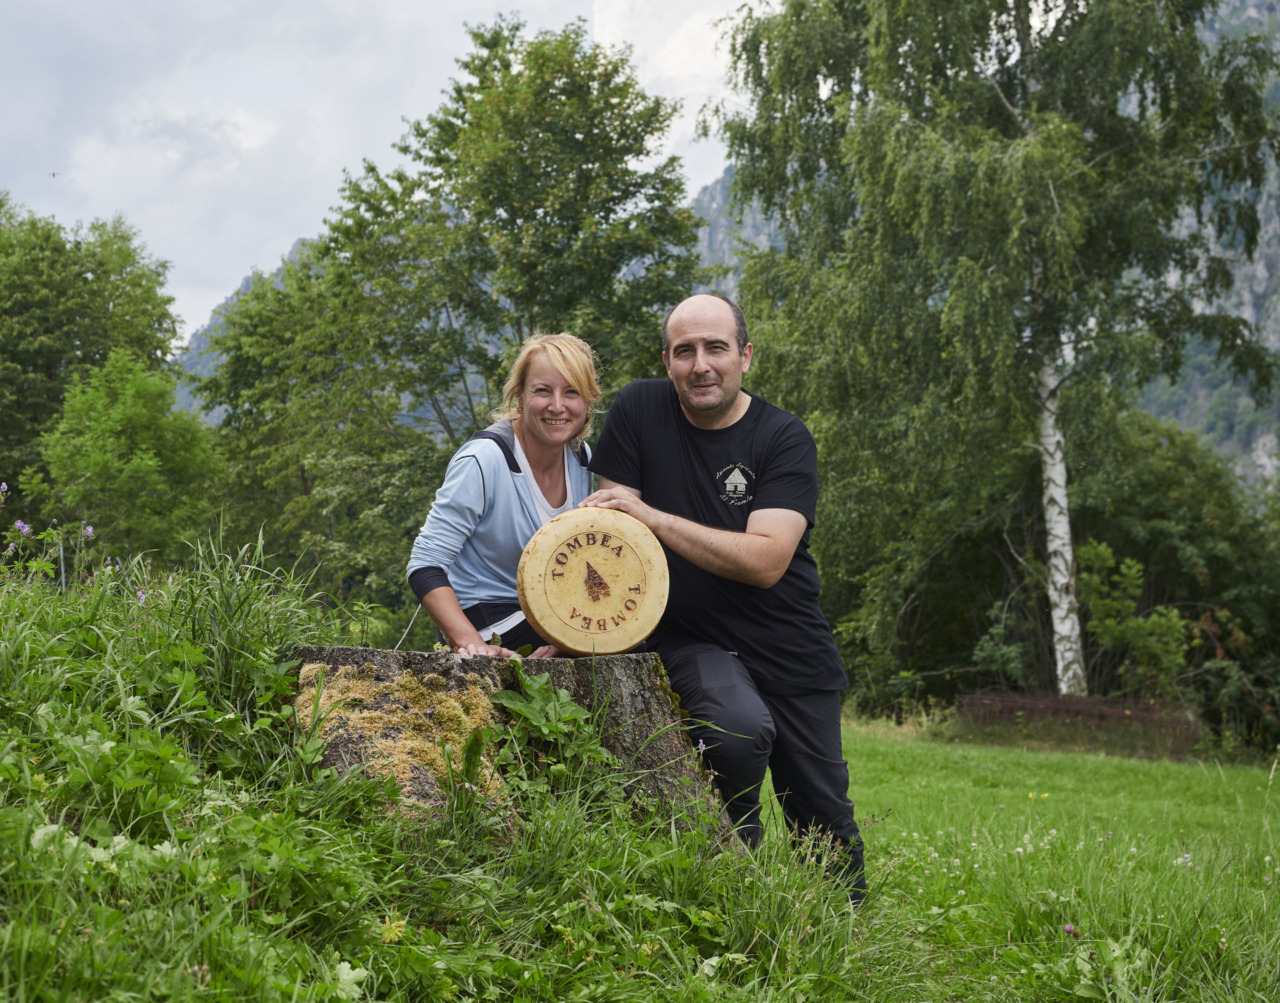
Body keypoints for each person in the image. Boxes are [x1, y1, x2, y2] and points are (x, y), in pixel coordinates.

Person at [581, 293, 865, 900]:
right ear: (667, 361)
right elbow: (613, 540)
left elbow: (765, 562)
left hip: (788, 644)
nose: (701, 365)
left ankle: (845, 935)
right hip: (690, 639)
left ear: (746, 356)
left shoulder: (783, 437)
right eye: (684, 351)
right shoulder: (638, 409)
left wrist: (655, 517)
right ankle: (737, 898)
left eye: (716, 348)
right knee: (735, 735)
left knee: (823, 817)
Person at [408, 333, 601, 657]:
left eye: (572, 392)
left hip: (549, 614)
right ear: (520, 397)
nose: (557, 406)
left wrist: (565, 641)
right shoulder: (484, 459)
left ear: (588, 401)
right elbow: (425, 565)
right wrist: (473, 645)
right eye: (542, 391)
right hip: (486, 620)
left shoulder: (581, 457)